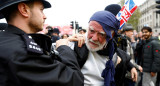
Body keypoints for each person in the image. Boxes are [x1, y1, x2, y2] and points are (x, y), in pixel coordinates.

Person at [0, 0, 83, 86]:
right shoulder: (23, 52)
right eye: (41, 10)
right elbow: (74, 80)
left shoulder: (7, 41)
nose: (44, 16)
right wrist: (64, 47)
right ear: (24, 10)